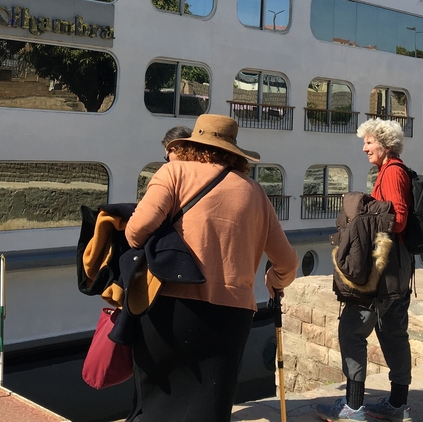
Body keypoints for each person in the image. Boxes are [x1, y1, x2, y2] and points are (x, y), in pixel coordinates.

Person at [125, 114, 299, 422]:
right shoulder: (255, 192)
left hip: (169, 304)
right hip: (231, 316)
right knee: (209, 406)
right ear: (235, 152)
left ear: (193, 144)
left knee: (156, 403)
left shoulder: (174, 172)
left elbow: (137, 232)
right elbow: (287, 262)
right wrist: (274, 279)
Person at [315, 119, 413, 422]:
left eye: (369, 142)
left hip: (381, 270)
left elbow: (398, 221)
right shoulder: (393, 170)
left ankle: (353, 407)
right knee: (393, 333)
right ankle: (398, 405)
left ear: (384, 144)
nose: (364, 147)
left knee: (352, 331)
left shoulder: (393, 173)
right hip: (396, 268)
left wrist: (365, 210)